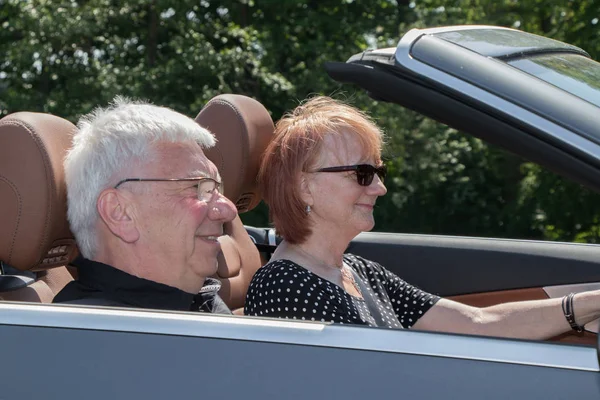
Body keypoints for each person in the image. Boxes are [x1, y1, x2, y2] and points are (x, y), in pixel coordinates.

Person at [244, 95, 600, 339]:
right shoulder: (284, 285)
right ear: (304, 187)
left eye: (379, 172)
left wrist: (587, 304)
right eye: (363, 173)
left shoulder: (359, 271)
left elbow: (478, 322)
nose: (379, 188)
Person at [53, 97, 237, 314]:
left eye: (217, 188)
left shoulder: (191, 304)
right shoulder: (94, 337)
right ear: (120, 213)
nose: (228, 210)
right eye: (197, 187)